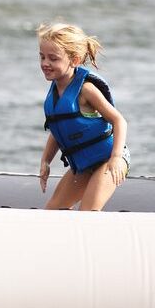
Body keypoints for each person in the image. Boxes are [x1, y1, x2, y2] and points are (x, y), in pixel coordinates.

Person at [36, 23, 129, 211]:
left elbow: (119, 121)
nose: (45, 63)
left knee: (87, 212)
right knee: (52, 211)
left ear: (75, 60)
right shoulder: (55, 91)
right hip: (84, 165)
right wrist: (45, 161)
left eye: (53, 58)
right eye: (42, 57)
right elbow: (58, 130)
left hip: (107, 160)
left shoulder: (86, 90)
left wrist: (116, 157)